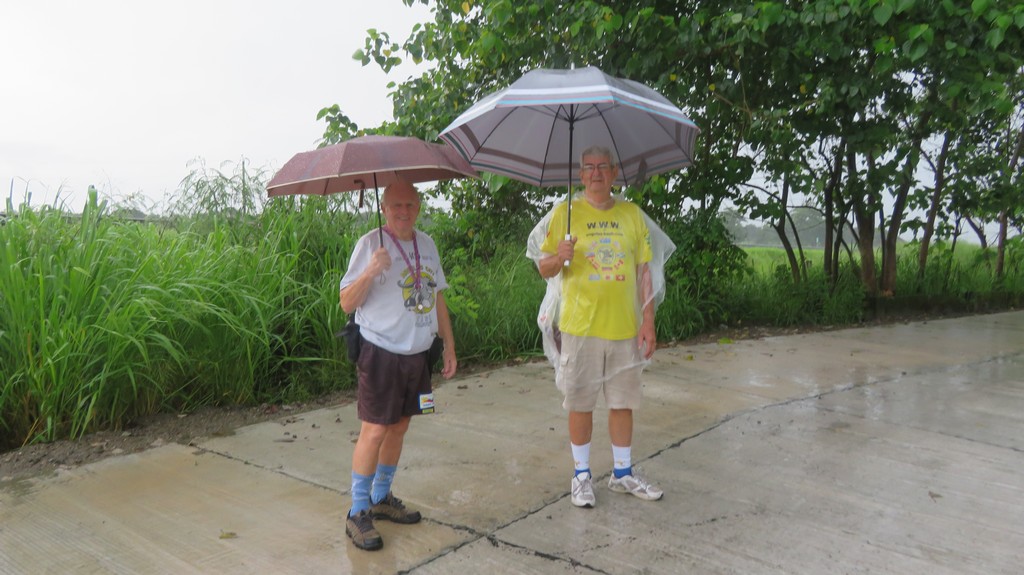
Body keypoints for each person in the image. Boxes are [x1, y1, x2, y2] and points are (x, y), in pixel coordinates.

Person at [529, 145, 673, 509]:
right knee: (580, 402)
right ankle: (581, 476)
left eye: (603, 167)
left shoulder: (632, 214)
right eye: (589, 167)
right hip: (579, 328)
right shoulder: (565, 214)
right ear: (580, 175)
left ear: (614, 173)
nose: (596, 173)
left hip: (625, 327)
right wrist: (559, 257)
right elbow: (543, 267)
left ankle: (622, 474)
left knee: (623, 403)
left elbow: (644, 271)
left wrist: (648, 321)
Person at [339, 179, 457, 551]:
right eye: (396, 205)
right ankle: (358, 510)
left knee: (401, 426)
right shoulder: (369, 245)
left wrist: (449, 345)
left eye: (410, 205)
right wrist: (370, 271)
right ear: (385, 209)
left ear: (418, 208)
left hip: (418, 354)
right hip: (380, 352)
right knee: (375, 430)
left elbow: (438, 297)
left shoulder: (427, 244)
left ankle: (381, 496)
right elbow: (346, 303)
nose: (403, 211)